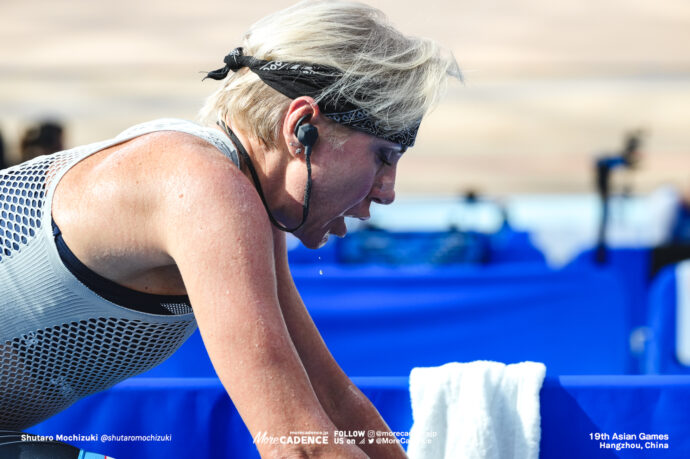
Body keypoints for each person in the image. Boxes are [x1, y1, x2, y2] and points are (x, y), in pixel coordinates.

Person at [0, 1, 460, 457]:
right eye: (383, 157)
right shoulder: (204, 187)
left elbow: (333, 400)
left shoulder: (243, 196)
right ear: (301, 128)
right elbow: (298, 446)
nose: (387, 192)